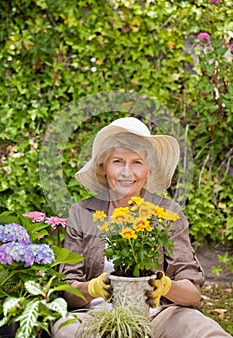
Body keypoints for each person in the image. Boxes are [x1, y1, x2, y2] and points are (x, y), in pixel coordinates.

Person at [54, 117, 232, 338]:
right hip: (97, 318)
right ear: (103, 167)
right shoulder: (81, 213)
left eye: (137, 162)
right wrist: (93, 288)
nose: (126, 172)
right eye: (117, 161)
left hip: (158, 316)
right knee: (64, 328)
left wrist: (166, 286)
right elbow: (67, 291)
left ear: (148, 170)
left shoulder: (167, 213)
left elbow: (192, 294)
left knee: (203, 329)